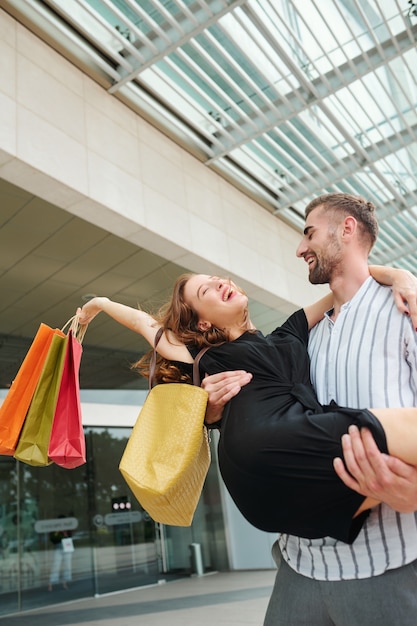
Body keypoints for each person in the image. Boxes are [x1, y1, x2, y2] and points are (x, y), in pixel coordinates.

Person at [77, 262, 417, 544]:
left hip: (267, 488)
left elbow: (349, 283)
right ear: (202, 322)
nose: (219, 283)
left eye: (216, 278)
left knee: (397, 479)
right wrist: (99, 304)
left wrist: (401, 277)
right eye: (205, 290)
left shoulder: (289, 332)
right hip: (264, 448)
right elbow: (142, 322)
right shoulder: (204, 353)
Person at [202, 193, 417, 625]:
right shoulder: (303, 341)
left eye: (308, 233)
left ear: (347, 229)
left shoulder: (406, 312)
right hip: (299, 568)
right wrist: (211, 410)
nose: (300, 249)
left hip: (387, 566)